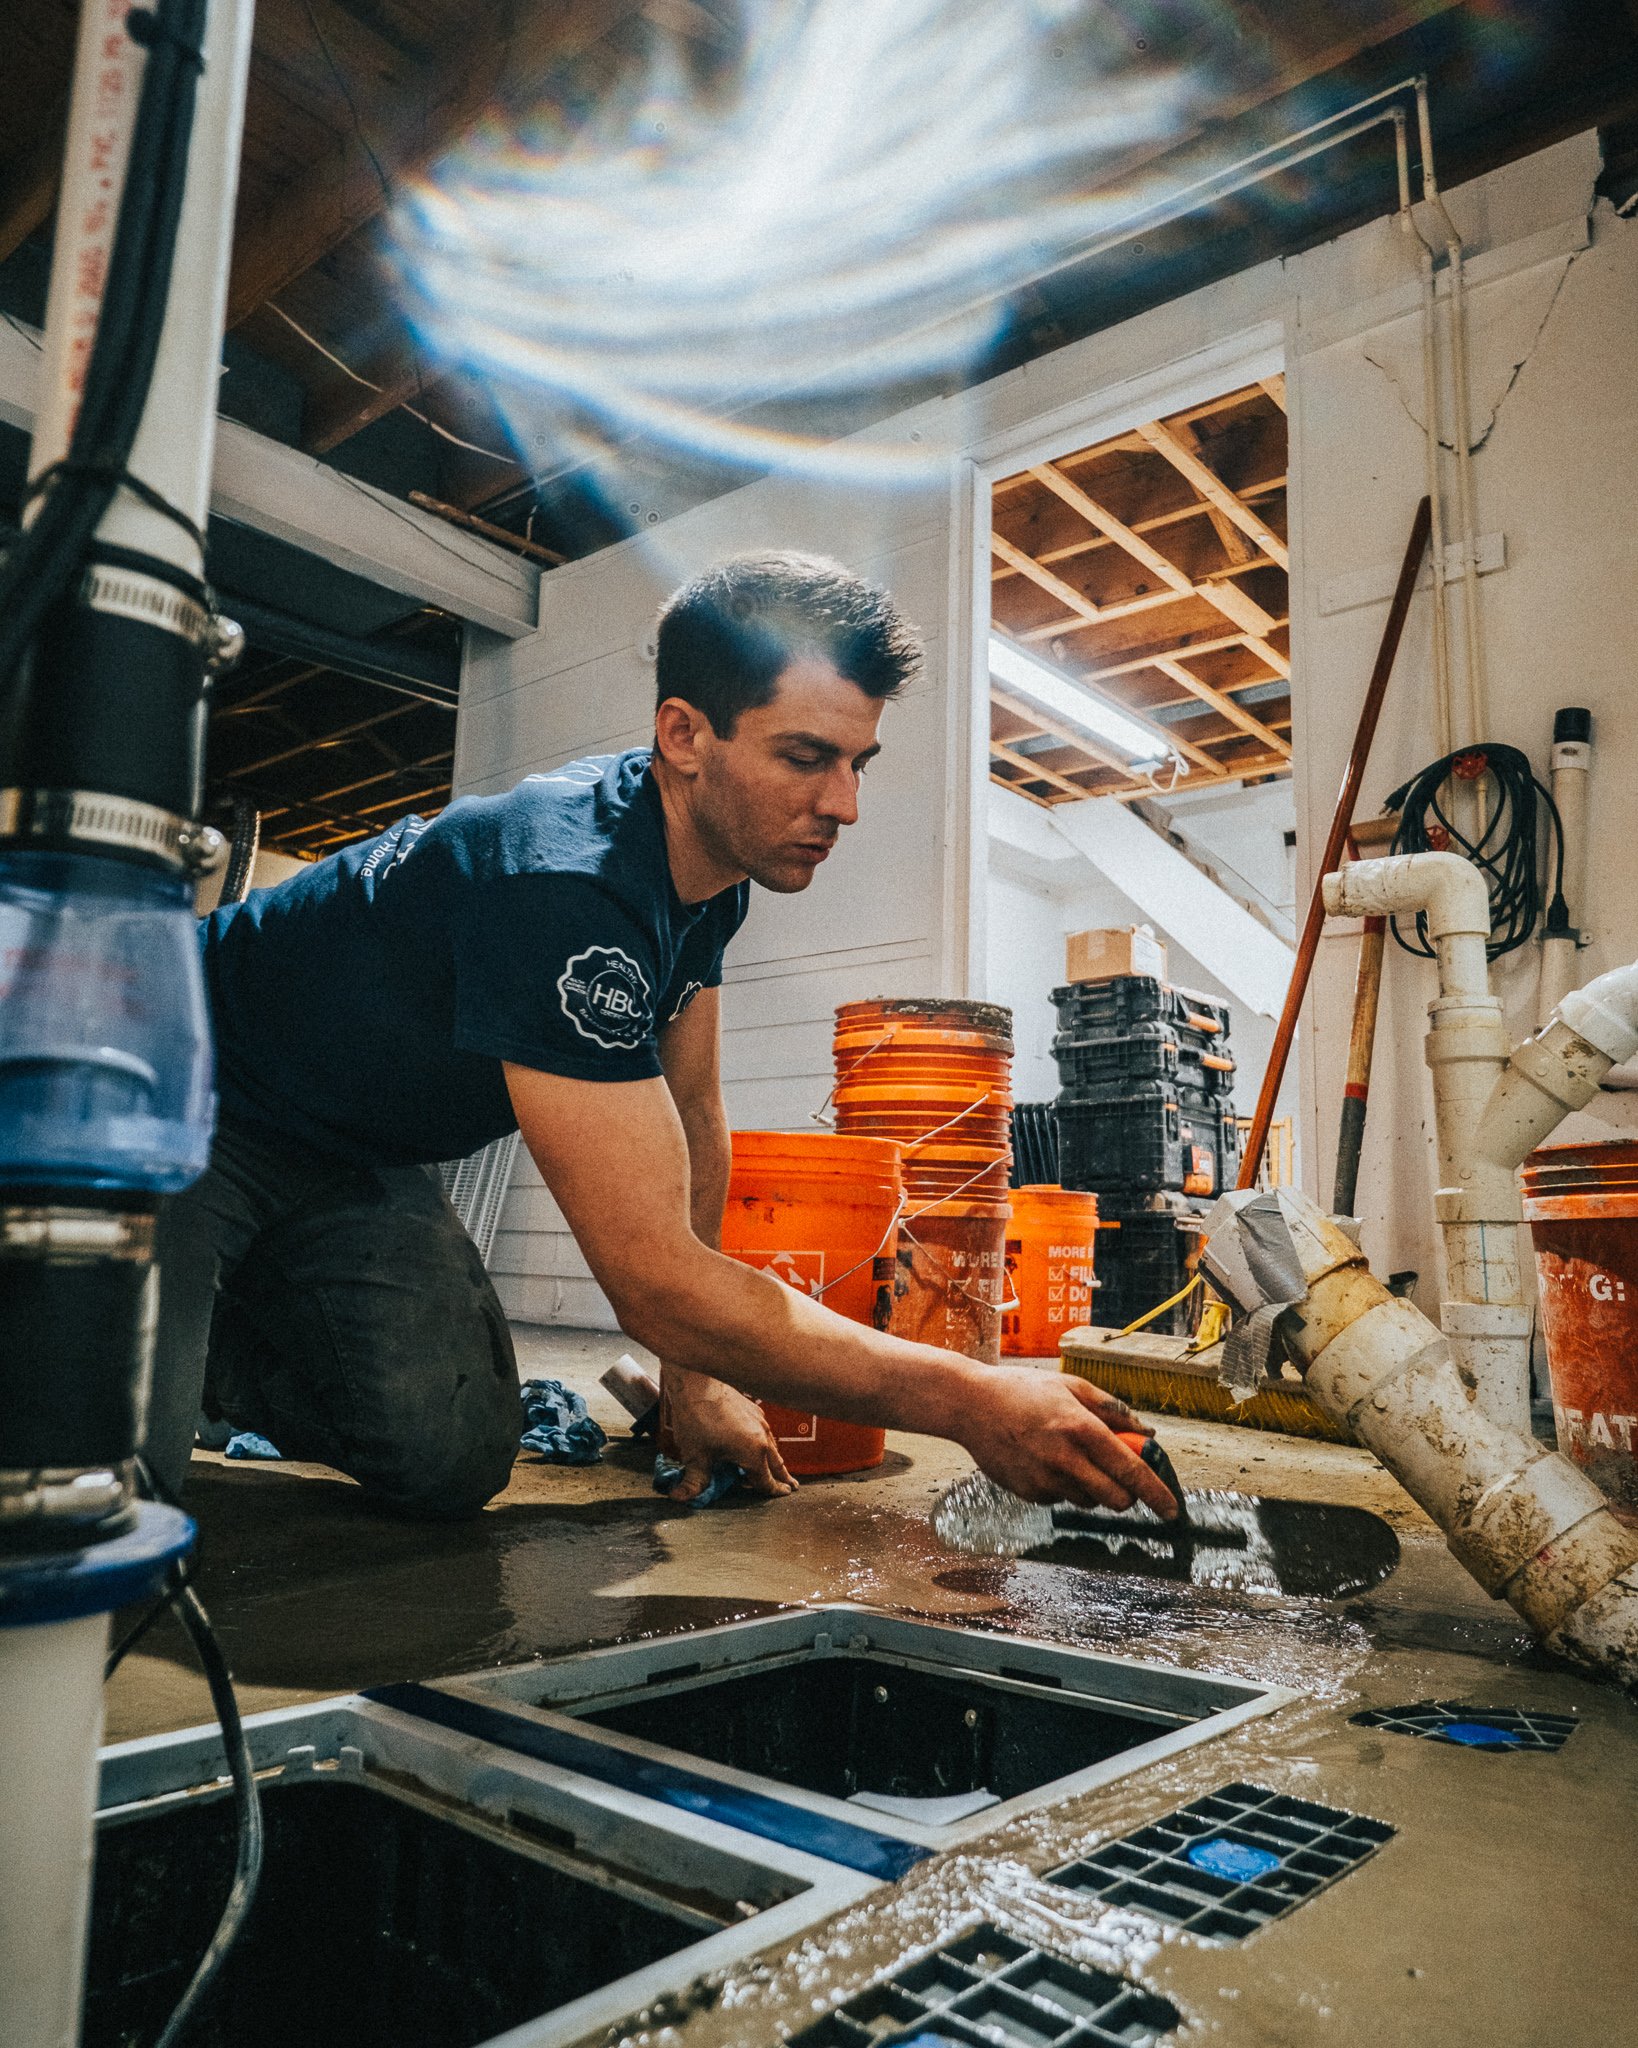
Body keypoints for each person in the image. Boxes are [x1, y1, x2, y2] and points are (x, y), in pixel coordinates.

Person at [150, 550, 1175, 1523]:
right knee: (102, 1484)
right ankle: (129, 1332)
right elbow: (649, 1277)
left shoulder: (706, 878)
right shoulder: (562, 884)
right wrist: (971, 1399)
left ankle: (209, 1325)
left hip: (352, 1151)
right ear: (684, 734)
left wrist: (699, 1378)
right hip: (181, 1098)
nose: (845, 804)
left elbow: (695, 1114)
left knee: (451, 1453)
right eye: (806, 757)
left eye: (859, 761)